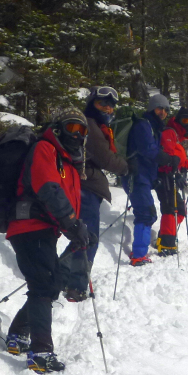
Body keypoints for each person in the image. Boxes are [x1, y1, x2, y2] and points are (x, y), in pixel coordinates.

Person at [4, 109, 91, 373]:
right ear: (59, 128)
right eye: (71, 127)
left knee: (50, 285)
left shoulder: (69, 162)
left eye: (82, 130)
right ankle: (40, 352)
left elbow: (64, 200)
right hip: (28, 225)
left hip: (45, 228)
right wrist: (72, 224)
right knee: (43, 285)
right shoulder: (45, 149)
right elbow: (47, 188)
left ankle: (18, 332)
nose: (76, 134)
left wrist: (78, 228)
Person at [124, 93, 179, 265]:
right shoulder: (143, 125)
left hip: (143, 176)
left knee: (147, 212)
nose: (163, 112)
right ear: (151, 108)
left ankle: (140, 253)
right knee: (146, 213)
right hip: (135, 176)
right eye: (159, 108)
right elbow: (148, 150)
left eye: (166, 110)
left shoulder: (154, 127)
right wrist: (169, 159)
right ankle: (138, 255)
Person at [81, 86, 128, 266]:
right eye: (102, 103)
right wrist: (126, 167)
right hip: (85, 186)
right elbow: (105, 159)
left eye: (111, 105)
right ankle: (76, 284)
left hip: (86, 183)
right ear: (92, 104)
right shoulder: (90, 125)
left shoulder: (96, 125)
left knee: (84, 236)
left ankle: (71, 278)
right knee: (87, 237)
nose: (107, 108)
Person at [154, 106, 188, 255]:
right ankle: (166, 243)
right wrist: (173, 171)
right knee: (171, 208)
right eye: (185, 120)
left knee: (180, 210)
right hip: (164, 176)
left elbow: (179, 160)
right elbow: (168, 155)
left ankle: (165, 235)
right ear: (177, 119)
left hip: (172, 176)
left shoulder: (177, 137)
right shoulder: (169, 132)